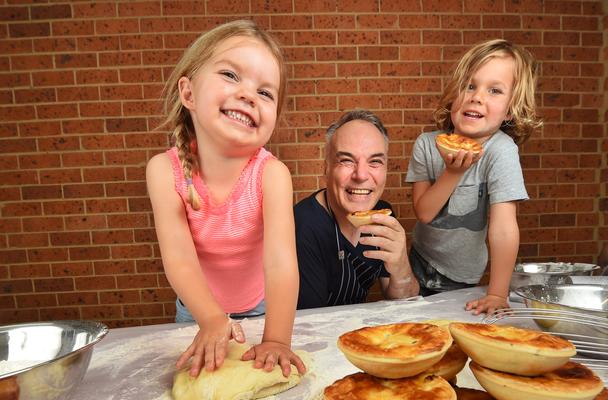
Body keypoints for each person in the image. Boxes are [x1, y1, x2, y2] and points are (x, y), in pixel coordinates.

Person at [147, 20, 305, 378]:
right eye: (231, 76)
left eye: (266, 92)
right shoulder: (164, 171)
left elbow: (280, 264)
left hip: (262, 306)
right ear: (188, 93)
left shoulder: (272, 175)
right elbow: (180, 259)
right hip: (197, 310)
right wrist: (211, 318)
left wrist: (277, 339)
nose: (249, 94)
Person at [406, 39, 542, 315]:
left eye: (494, 90)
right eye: (470, 85)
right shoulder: (425, 144)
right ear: (454, 94)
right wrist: (453, 173)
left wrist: (496, 293)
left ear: (511, 108)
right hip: (416, 263)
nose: (477, 97)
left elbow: (504, 228)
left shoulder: (501, 151)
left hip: (462, 276)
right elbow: (424, 212)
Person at [294, 109, 419, 309]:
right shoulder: (303, 226)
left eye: (375, 161)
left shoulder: (382, 216)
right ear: (326, 168)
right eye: (346, 160)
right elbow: (308, 322)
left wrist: (401, 266)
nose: (361, 175)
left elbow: (402, 303)